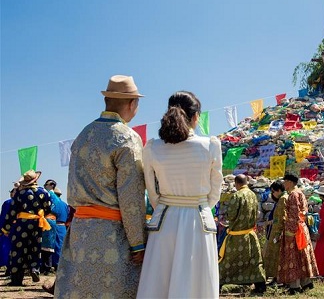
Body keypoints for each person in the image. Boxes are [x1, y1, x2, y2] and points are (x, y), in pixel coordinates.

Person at [55, 75, 147, 299]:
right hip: (111, 235)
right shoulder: (126, 138)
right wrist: (138, 243)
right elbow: (131, 197)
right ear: (132, 104)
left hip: (80, 231)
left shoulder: (83, 135)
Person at [136, 91, 223, 298]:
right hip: (199, 218)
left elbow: (151, 191)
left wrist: (167, 205)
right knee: (196, 282)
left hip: (165, 218)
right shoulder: (210, 145)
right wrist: (201, 204)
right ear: (196, 117)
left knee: (159, 281)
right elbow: (215, 189)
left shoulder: (153, 147)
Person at [1, 170, 52, 286]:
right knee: (35, 247)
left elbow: (12, 212)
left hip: (22, 225)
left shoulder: (20, 193)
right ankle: (35, 269)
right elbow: (48, 208)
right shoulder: (44, 192)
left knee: (18, 250)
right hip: (37, 224)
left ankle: (16, 279)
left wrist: (5, 228)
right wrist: (40, 214)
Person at [218, 174, 266, 293]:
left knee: (227, 261)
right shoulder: (253, 195)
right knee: (254, 261)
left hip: (236, 236)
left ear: (236, 183)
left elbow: (231, 215)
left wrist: (226, 217)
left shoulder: (237, 195)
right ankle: (260, 285)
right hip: (250, 234)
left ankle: (218, 283)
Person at [278, 173, 318, 294]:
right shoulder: (300, 193)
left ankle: (294, 286)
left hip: (295, 230)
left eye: (285, 181)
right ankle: (306, 283)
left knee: (293, 258)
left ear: (290, 182)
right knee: (302, 256)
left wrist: (289, 231)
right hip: (301, 228)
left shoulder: (293, 195)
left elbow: (294, 215)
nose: (284, 184)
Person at [264, 180, 288, 284]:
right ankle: (275, 277)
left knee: (276, 256)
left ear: (278, 190)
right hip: (275, 230)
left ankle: (277, 278)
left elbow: (282, 217)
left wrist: (272, 222)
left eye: (273, 191)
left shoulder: (283, 199)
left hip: (277, 232)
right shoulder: (282, 198)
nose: (272, 194)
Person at [50, 187, 69, 269]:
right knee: (61, 246)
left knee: (54, 246)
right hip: (63, 227)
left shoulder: (54, 203)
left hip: (55, 226)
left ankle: (55, 264)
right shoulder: (64, 204)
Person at [0, 187, 17, 275]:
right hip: (21, 228)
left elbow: (3, 217)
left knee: (7, 248)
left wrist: (3, 229)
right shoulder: (23, 202)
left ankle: (9, 268)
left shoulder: (8, 203)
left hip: (9, 229)